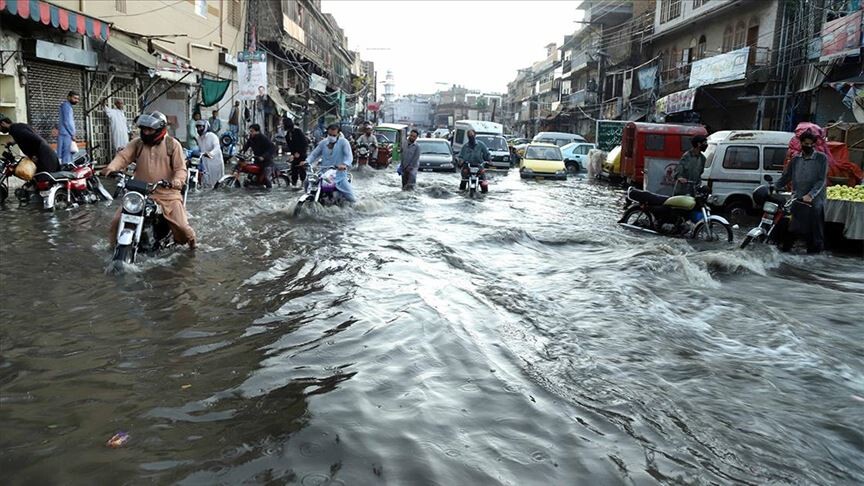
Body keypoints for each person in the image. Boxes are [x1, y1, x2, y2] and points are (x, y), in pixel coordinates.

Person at [99, 112, 196, 249]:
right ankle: (114, 249)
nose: (146, 132)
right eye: (144, 129)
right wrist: (111, 168)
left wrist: (177, 180)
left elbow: (180, 169)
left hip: (168, 195)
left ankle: (193, 245)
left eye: (150, 130)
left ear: (160, 129)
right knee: (116, 222)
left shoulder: (172, 144)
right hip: (140, 193)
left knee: (183, 229)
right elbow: (123, 157)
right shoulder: (137, 143)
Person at [775, 131, 829, 254]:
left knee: (814, 226)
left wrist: (810, 195)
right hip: (798, 197)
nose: (808, 146)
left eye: (810, 144)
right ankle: (786, 251)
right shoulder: (795, 159)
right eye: (805, 144)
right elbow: (786, 176)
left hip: (815, 198)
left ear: (814, 145)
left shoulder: (821, 158)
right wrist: (775, 186)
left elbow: (821, 180)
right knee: (792, 224)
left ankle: (815, 252)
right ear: (801, 143)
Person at [306, 123, 355, 202]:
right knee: (307, 182)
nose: (331, 137)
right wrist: (306, 161)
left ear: (338, 134)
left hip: (339, 175)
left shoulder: (344, 142)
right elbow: (314, 154)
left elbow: (349, 156)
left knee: (351, 197)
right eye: (330, 135)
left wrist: (344, 164)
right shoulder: (323, 143)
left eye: (334, 135)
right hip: (324, 173)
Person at [241, 123, 277, 188]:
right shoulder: (251, 138)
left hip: (267, 162)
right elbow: (247, 145)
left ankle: (269, 191)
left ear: (257, 131)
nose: (250, 133)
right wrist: (242, 151)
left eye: (252, 131)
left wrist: (263, 156)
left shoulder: (263, 138)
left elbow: (272, 148)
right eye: (250, 131)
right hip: (257, 160)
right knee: (250, 174)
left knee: (266, 177)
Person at [194, 119, 224, 188]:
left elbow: (217, 147)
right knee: (206, 179)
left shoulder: (212, 136)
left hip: (215, 162)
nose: (199, 129)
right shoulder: (198, 138)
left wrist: (211, 153)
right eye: (197, 127)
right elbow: (199, 149)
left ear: (205, 127)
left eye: (200, 127)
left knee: (216, 181)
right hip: (205, 162)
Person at [285, 118, 308, 187]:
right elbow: (290, 146)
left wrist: (299, 152)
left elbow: (304, 143)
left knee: (301, 169)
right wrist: (293, 154)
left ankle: (303, 184)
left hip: (301, 154)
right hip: (294, 155)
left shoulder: (298, 131)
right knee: (294, 169)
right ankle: (294, 184)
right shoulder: (287, 135)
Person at [58, 91, 79, 163]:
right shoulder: (66, 106)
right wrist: (72, 134)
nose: (76, 100)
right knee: (66, 156)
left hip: (66, 134)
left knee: (67, 155)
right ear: (69, 97)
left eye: (77, 99)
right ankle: (66, 169)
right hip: (66, 134)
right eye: (75, 98)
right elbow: (67, 122)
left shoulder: (67, 106)